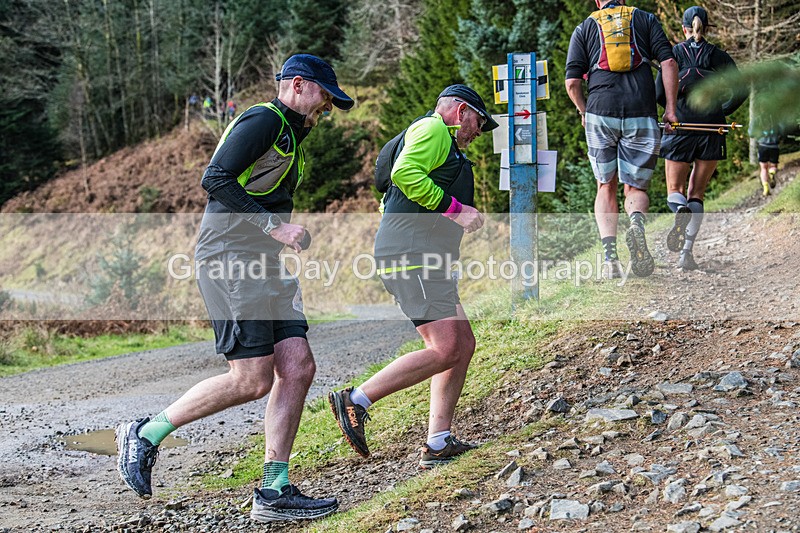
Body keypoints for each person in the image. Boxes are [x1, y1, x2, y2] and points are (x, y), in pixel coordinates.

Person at [115, 54, 354, 524]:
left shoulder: (290, 133)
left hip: (264, 261)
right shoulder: (264, 120)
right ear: (299, 85)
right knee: (252, 379)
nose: (327, 106)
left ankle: (273, 489)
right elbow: (216, 178)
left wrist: (284, 232)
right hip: (229, 258)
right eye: (325, 95)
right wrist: (273, 226)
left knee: (298, 365)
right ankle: (144, 433)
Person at [328, 84, 498, 469]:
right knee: (445, 347)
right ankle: (356, 400)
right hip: (412, 257)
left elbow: (396, 193)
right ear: (460, 111)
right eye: (478, 121)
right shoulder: (434, 129)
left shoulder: (437, 139)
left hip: (423, 256)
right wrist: (455, 209)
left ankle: (438, 442)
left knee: (463, 343)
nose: (478, 131)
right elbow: (405, 173)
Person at [565, 0, 679, 279]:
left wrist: (583, 110)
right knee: (635, 186)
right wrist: (671, 109)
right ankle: (637, 225)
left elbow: (572, 82)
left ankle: (610, 260)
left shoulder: (585, 27)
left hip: (600, 112)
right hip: (641, 110)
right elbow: (669, 62)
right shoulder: (645, 19)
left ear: (597, 1)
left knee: (605, 185)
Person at [656, 6, 746, 271]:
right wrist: (724, 109)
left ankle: (679, 211)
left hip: (680, 127)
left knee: (675, 190)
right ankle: (686, 254)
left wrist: (669, 109)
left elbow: (658, 92)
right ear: (707, 27)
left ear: (684, 28)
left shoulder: (672, 55)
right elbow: (741, 89)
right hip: (712, 129)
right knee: (698, 192)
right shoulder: (720, 56)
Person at [753, 121, 781, 197]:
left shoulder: (758, 117)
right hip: (774, 146)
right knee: (773, 166)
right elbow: (782, 129)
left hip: (762, 146)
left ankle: (765, 188)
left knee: (763, 168)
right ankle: (772, 173)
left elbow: (751, 132)